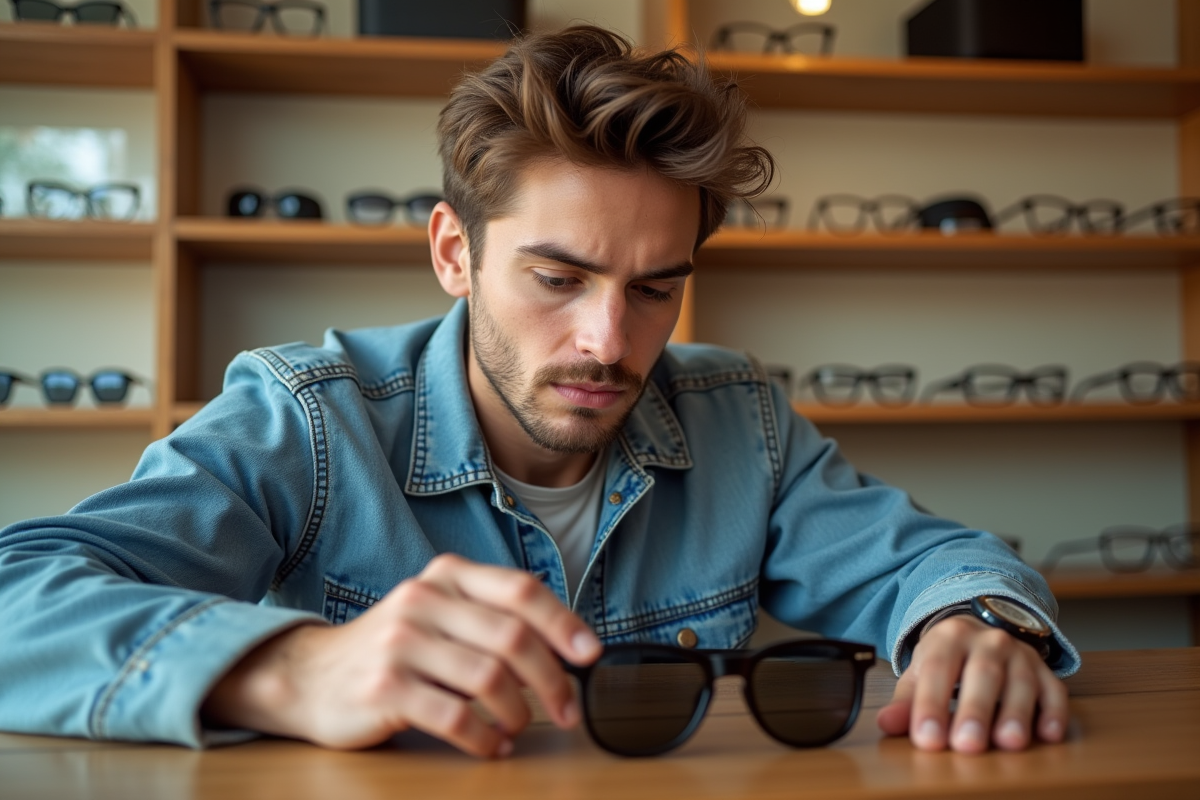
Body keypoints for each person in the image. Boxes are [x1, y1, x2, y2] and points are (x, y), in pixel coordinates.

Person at [0, 25, 1078, 759]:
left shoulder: (736, 415)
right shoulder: (307, 415)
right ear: (453, 252)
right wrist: (288, 670)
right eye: (557, 279)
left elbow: (932, 561)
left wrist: (971, 623)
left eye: (655, 288)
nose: (609, 342)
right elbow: (21, 596)